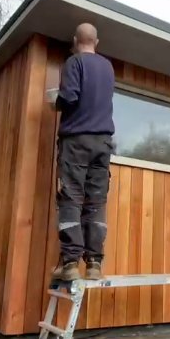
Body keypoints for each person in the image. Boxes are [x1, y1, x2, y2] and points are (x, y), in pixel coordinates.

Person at [52, 23, 115, 282]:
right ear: (96, 42)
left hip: (77, 141)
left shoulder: (74, 62)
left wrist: (54, 102)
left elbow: (70, 97)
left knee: (71, 199)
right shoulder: (108, 67)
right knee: (96, 202)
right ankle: (94, 264)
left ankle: (69, 265)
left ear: (76, 40)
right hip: (103, 143)